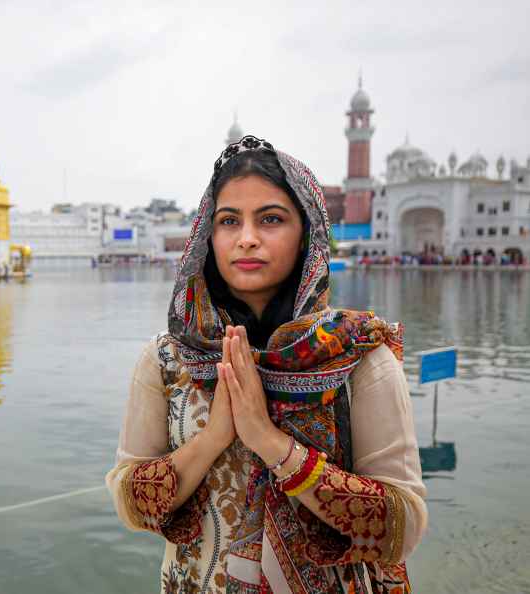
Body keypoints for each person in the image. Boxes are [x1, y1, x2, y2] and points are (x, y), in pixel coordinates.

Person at [106, 136, 426, 593]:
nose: (247, 238)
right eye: (229, 221)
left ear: (306, 235)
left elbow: (404, 526)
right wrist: (214, 438)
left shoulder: (356, 357)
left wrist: (270, 441)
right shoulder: (168, 359)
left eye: (271, 219)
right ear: (208, 237)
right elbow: (129, 502)